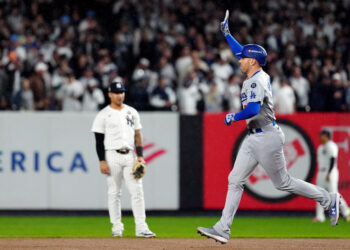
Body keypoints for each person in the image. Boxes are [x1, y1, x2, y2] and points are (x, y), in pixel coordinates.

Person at [197, 10, 341, 244]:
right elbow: (239, 52)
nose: (239, 59)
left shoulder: (257, 80)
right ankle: (223, 229)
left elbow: (253, 110)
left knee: (283, 182)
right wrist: (227, 34)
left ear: (252, 61)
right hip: (254, 137)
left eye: (243, 57)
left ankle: (328, 200)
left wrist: (233, 117)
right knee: (235, 179)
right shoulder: (255, 72)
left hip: (267, 136)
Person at [91, 81, 155, 238]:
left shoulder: (132, 112)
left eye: (122, 92)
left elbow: (137, 135)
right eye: (116, 93)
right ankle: (117, 227)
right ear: (109, 95)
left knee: (137, 191)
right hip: (112, 154)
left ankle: (141, 227)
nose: (120, 95)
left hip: (130, 155)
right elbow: (99, 141)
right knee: (114, 193)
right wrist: (102, 161)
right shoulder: (103, 115)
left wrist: (140, 156)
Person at [313, 130, 350, 222]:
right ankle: (320, 216)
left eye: (321, 135)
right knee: (319, 194)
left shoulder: (331, 145)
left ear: (326, 136)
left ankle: (346, 212)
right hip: (321, 172)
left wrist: (329, 173)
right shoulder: (320, 147)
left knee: (333, 194)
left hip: (330, 172)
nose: (320, 137)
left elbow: (333, 159)